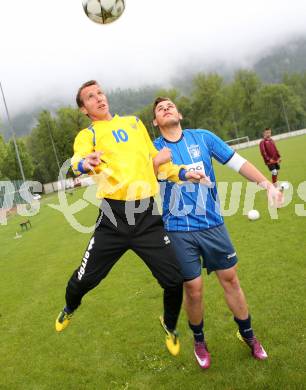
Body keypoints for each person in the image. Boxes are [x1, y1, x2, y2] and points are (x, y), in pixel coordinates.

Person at [55, 81, 204, 357]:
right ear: (84, 109)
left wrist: (184, 173)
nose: (98, 98)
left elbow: (157, 163)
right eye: (90, 97)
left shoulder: (135, 124)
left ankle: (169, 325)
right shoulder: (89, 135)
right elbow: (78, 160)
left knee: (174, 280)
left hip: (147, 216)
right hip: (114, 218)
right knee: (84, 279)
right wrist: (83, 164)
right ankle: (69, 307)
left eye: (100, 92)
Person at [152, 97, 284, 369]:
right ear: (155, 122)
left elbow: (237, 162)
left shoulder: (202, 138)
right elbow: (141, 179)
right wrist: (154, 165)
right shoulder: (152, 149)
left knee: (230, 279)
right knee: (194, 289)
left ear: (180, 113)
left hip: (212, 223)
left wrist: (266, 185)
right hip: (177, 228)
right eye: (160, 109)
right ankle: (199, 341)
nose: (166, 108)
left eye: (170, 105)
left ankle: (248, 335)